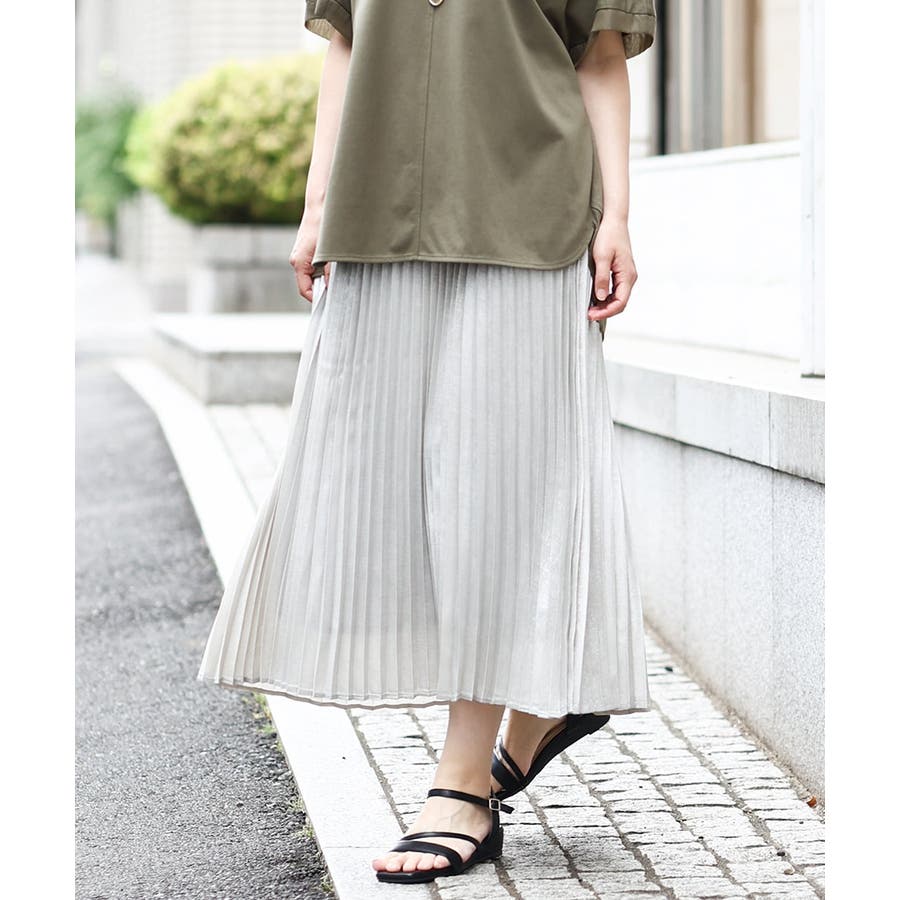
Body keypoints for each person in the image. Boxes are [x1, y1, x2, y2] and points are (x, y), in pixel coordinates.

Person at [198, 0, 656, 886]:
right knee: (369, 486)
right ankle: (540, 712)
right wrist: (317, 206)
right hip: (376, 218)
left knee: (489, 495)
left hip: (530, 220)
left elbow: (600, 58)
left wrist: (618, 218)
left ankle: (462, 786)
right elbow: (348, 43)